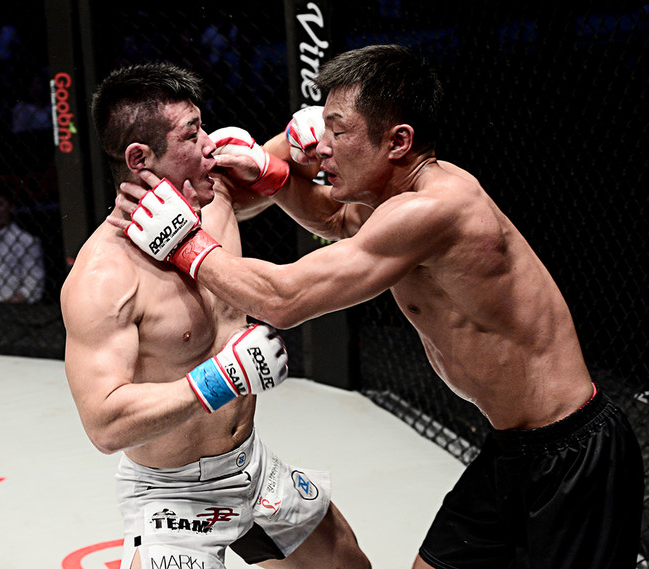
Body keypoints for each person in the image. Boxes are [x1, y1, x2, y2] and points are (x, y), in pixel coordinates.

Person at [110, 45, 644, 569]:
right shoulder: (401, 200)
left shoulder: (435, 208)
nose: (321, 148)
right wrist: (274, 175)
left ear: (398, 141)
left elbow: (283, 299)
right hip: (515, 447)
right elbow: (338, 221)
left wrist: (185, 244)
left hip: (573, 454)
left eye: (338, 131)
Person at [60, 62, 371, 569]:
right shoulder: (103, 278)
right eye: (191, 134)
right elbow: (105, 424)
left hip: (252, 465)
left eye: (202, 126)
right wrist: (219, 379)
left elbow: (292, 172)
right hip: (171, 495)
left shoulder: (216, 195)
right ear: (140, 158)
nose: (210, 144)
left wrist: (300, 140)